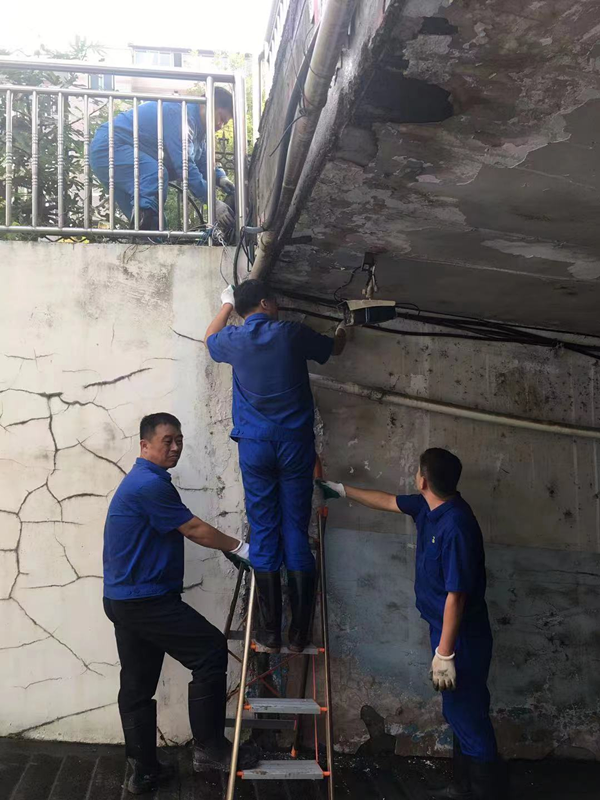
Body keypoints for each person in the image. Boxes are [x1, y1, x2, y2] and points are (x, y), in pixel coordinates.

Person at [318, 448, 506, 800]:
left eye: (417, 472)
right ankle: (462, 786)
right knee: (460, 712)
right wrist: (340, 490)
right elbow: (387, 501)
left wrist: (445, 653)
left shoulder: (456, 525)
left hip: (461, 636)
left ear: (423, 480)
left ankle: (485, 791)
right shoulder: (428, 507)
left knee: (467, 714)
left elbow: (457, 597)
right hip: (445, 630)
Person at [102, 412, 257, 795]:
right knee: (210, 651)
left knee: (137, 686)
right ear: (145, 445)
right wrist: (242, 548)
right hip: (145, 600)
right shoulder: (148, 485)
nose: (175, 447)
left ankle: (143, 772)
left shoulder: (144, 481)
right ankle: (210, 750)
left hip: (125, 599)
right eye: (167, 441)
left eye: (179, 440)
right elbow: (193, 528)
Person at [205, 280, 346, 654]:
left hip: (254, 447)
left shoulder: (232, 339)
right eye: (276, 301)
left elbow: (209, 339)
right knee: (295, 531)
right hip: (294, 446)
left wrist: (226, 304)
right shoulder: (291, 333)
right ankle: (299, 636)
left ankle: (270, 634)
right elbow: (334, 348)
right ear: (266, 303)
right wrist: (345, 329)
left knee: (265, 531)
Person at [90, 87, 235, 230]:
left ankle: (147, 238)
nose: (220, 125)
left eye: (225, 123)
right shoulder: (180, 114)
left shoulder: (199, 133)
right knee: (156, 175)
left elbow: (203, 162)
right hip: (110, 146)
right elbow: (185, 165)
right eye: (221, 118)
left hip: (116, 153)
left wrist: (220, 178)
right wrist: (213, 203)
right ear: (206, 105)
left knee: (155, 224)